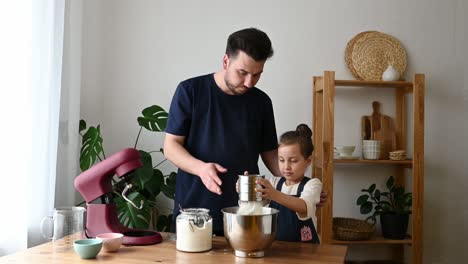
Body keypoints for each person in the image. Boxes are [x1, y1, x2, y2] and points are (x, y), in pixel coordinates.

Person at [164, 27, 327, 235]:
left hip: (247, 211)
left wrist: (301, 187)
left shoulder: (261, 102)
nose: (249, 82)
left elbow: (271, 155)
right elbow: (171, 147)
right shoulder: (190, 91)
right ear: (226, 61)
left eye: (257, 75)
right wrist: (201, 169)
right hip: (195, 209)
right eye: (242, 73)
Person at [256, 124, 322, 243]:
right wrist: (246, 187)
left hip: (306, 251)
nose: (286, 167)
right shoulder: (274, 182)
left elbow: (304, 207)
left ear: (308, 161)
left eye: (293, 161)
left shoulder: (313, 184)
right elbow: (258, 204)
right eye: (281, 160)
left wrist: (274, 194)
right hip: (277, 248)